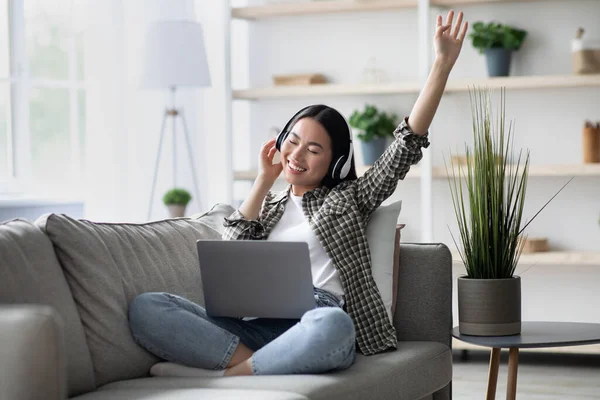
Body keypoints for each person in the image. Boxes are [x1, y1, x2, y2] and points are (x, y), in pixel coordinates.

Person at [128, 10, 468, 377]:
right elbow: (230, 248)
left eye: (313, 149)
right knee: (148, 307)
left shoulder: (349, 198)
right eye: (292, 142)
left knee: (334, 328)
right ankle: (254, 365)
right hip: (255, 324)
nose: (297, 155)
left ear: (335, 163)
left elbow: (404, 147)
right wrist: (263, 180)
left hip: (316, 320)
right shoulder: (269, 206)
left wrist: (442, 66)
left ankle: (230, 372)